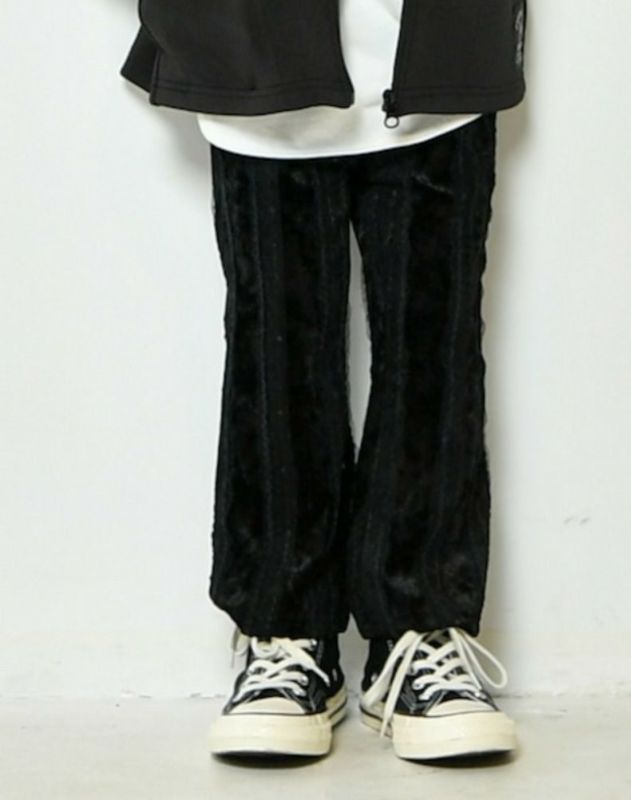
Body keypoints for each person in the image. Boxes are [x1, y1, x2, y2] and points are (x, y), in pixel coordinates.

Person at [120, 0, 527, 762]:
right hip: (250, 48)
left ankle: (420, 627)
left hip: (441, 52)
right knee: (275, 356)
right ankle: (285, 630)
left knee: (434, 352)